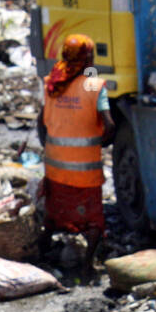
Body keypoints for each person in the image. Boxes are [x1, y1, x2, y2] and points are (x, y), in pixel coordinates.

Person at [38, 34, 116, 282]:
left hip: (55, 167)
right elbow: (110, 125)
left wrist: (48, 145)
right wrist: (102, 141)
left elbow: (42, 121)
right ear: (87, 59)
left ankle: (41, 253)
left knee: (55, 214)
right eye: (91, 57)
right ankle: (86, 267)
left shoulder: (52, 83)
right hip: (84, 171)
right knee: (92, 221)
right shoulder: (94, 85)